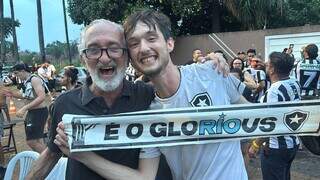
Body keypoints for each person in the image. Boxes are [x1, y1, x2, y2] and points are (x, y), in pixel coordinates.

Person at [55, 9, 248, 180]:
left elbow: (256, 118)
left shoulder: (212, 72)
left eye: (151, 38)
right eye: (134, 43)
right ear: (130, 57)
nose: (144, 48)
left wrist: (248, 149)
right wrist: (82, 155)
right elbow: (144, 177)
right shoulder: (149, 113)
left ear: (170, 43)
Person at [26, 19, 161, 180]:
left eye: (114, 48)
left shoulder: (148, 97)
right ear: (83, 58)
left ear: (126, 56)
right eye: (93, 50)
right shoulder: (65, 103)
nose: (104, 58)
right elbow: (51, 154)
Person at [248, 52, 300, 180]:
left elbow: (269, 124)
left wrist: (255, 145)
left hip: (276, 147)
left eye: (268, 64)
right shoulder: (294, 82)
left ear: (272, 69)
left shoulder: (273, 92)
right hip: (293, 142)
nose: (265, 65)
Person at [4, 63, 48, 153]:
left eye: (16, 73)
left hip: (39, 112)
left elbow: (41, 97)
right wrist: (12, 94)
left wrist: (24, 108)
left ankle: (50, 160)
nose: (15, 76)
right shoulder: (26, 81)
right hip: (33, 112)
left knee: (31, 141)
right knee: (38, 140)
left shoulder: (34, 79)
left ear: (23, 71)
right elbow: (25, 95)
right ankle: (46, 162)